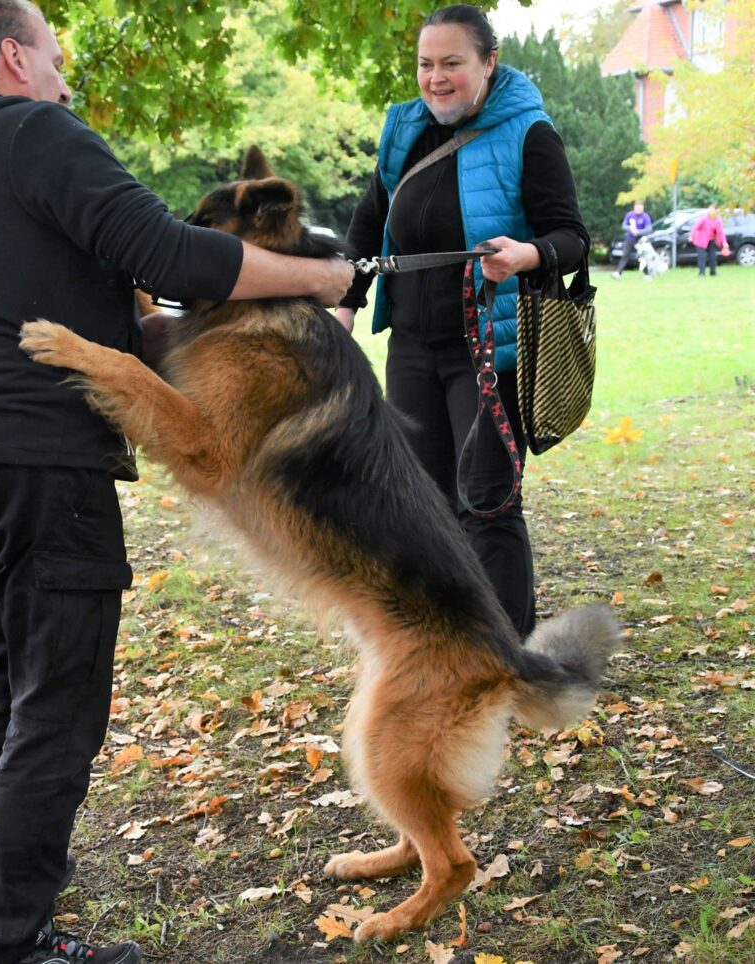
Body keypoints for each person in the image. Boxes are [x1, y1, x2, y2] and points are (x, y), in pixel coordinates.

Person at [0, 2, 352, 963]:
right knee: (59, 706)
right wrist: (315, 280)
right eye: (55, 61)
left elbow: (52, 298)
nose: (66, 85)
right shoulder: (33, 132)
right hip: (48, 461)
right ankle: (16, 941)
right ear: (13, 58)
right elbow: (171, 253)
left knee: (11, 683)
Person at [335, 3, 588, 639]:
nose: (435, 77)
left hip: (490, 352)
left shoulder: (529, 133)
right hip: (411, 349)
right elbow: (370, 222)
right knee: (424, 506)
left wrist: (526, 254)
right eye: (426, 64)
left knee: (488, 505)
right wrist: (345, 303)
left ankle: (508, 659)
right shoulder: (405, 131)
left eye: (452, 63)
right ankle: (447, 649)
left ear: (489, 62)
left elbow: (571, 237)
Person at [611, 201, 652, 278]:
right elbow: (624, 226)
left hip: (641, 241)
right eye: (637, 208)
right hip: (630, 239)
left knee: (643, 257)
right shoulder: (630, 215)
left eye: (640, 208)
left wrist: (638, 232)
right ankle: (618, 273)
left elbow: (649, 229)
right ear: (634, 208)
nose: (639, 210)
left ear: (643, 208)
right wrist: (630, 228)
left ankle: (648, 274)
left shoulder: (645, 216)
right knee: (625, 255)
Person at [689, 204, 729, 276]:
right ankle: (701, 273)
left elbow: (721, 232)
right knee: (702, 257)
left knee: (713, 256)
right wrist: (691, 236)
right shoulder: (704, 218)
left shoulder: (718, 219)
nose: (711, 212)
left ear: (715, 211)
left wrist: (724, 242)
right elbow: (695, 227)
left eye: (712, 210)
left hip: (711, 240)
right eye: (710, 210)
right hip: (701, 241)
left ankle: (713, 272)